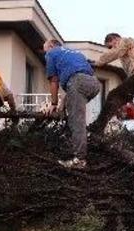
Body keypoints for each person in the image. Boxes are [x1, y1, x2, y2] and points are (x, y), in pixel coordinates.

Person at [43, 39, 101, 169]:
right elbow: (75, 81)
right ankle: (75, 146)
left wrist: (53, 103)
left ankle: (80, 159)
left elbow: (54, 81)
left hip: (77, 83)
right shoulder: (75, 53)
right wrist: (62, 105)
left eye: (45, 49)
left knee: (76, 120)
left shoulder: (51, 54)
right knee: (74, 113)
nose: (45, 54)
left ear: (51, 46)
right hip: (94, 84)